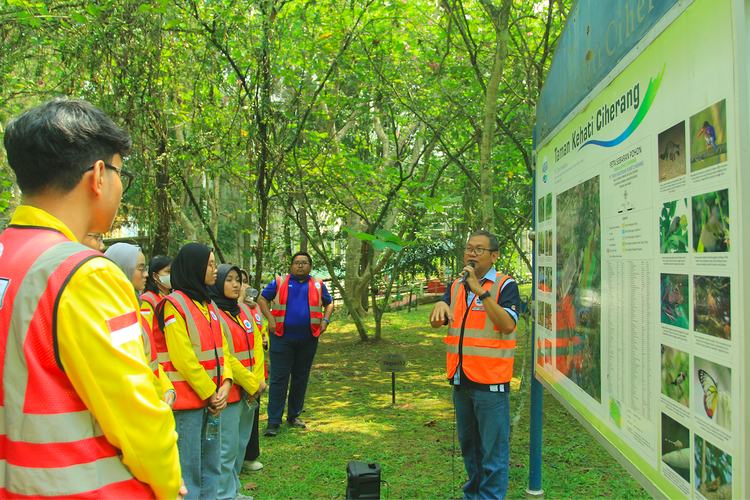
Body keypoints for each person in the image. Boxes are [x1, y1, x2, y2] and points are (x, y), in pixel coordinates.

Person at [0, 98, 183, 498]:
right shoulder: (82, 273)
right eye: (121, 172)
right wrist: (170, 486)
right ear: (99, 175)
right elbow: (136, 412)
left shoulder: (9, 259)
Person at [156, 243, 260, 500]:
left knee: (211, 465)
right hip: (189, 402)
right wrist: (211, 392)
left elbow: (222, 351)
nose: (215, 270)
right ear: (194, 267)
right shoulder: (174, 304)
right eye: (211, 264)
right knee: (190, 468)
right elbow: (183, 358)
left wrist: (224, 384)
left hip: (213, 400)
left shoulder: (208, 304)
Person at [429, 230, 520, 500]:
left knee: (493, 453)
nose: (471, 254)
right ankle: (473, 495)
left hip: (490, 382)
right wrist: (438, 306)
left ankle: (491, 497)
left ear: (494, 256)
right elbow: (440, 320)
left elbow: (507, 325)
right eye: (469, 248)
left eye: (479, 249)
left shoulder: (505, 285)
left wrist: (481, 292)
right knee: (470, 448)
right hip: (461, 379)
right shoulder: (456, 285)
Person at [258, 251, 334, 436]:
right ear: (291, 266)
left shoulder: (318, 284)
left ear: (310, 266)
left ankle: (293, 416)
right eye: (297, 263)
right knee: (278, 380)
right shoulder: (280, 282)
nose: (300, 265)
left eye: (304, 263)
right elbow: (262, 299)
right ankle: (273, 422)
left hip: (308, 338)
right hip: (281, 338)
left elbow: (329, 303)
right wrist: (271, 319)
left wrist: (325, 321)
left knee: (301, 378)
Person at [209, 264, 267, 499]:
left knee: (240, 445)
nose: (236, 284)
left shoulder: (244, 310)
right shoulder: (213, 314)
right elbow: (226, 356)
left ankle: (234, 490)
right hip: (230, 391)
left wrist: (258, 383)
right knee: (226, 448)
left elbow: (257, 349)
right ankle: (223, 494)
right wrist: (252, 383)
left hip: (250, 392)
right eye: (229, 280)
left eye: (238, 280)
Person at [105, 243, 176, 406]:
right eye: (140, 269)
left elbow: (150, 360)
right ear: (122, 269)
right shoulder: (117, 314)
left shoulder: (133, 308)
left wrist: (166, 389)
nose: (145, 275)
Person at [239, 269, 268, 471]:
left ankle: (250, 456)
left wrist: (265, 339)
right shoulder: (226, 309)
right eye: (235, 281)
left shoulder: (255, 308)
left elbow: (261, 331)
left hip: (257, 370)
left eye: (244, 281)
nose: (242, 285)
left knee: (252, 416)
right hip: (238, 374)